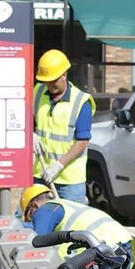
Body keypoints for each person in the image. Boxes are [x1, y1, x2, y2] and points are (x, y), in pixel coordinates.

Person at [32, 51, 94, 201]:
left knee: (71, 222)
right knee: (33, 220)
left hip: (69, 181)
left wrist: (59, 165)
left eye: (53, 80)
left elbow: (82, 142)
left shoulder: (81, 101)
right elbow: (25, 118)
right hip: (41, 173)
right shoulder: (38, 91)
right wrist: (29, 133)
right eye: (46, 80)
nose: (49, 84)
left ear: (64, 75)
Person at [21, 183, 131, 259]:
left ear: (35, 205)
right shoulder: (65, 204)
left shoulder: (44, 210)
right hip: (123, 241)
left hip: (104, 246)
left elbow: (37, 247)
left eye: (31, 216)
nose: (34, 220)